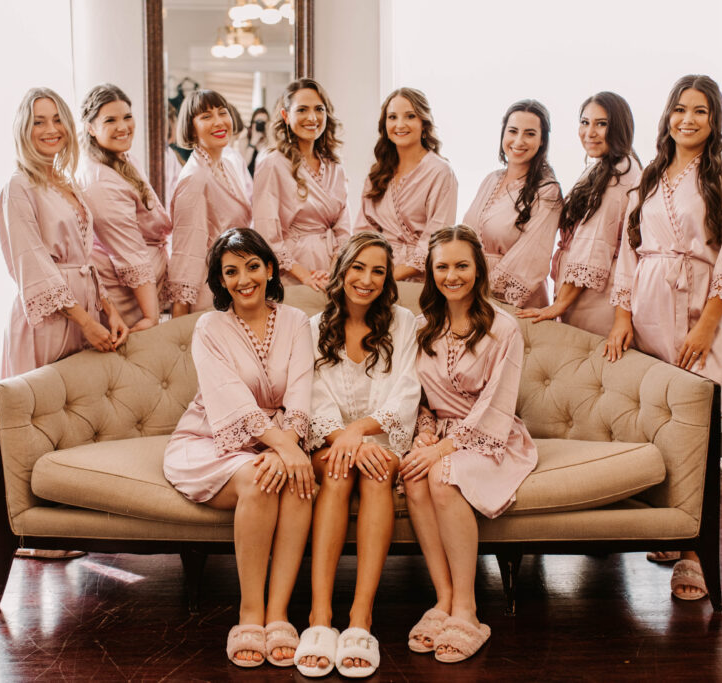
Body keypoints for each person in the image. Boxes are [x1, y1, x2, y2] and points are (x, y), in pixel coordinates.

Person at [605, 75, 722, 600]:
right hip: (648, 305)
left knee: (699, 429)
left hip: (700, 304)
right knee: (658, 423)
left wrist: (709, 322)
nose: (688, 120)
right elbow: (631, 249)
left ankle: (694, 553)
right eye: (679, 109)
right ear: (667, 116)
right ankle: (670, 529)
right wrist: (623, 315)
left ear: (714, 121)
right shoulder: (650, 176)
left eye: (700, 111)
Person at [163, 228, 315, 669]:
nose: (243, 278)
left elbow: (301, 390)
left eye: (252, 266)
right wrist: (284, 448)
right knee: (259, 479)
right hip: (212, 437)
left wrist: (287, 446)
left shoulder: (296, 322)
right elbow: (228, 398)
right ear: (221, 281)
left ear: (270, 269)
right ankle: (250, 613)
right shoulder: (209, 327)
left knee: (295, 481)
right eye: (231, 272)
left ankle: (279, 614)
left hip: (281, 436)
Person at [402, 225, 538, 663]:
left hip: (491, 436)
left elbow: (496, 405)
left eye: (462, 265)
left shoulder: (505, 328)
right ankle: (442, 600)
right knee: (416, 476)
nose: (452, 275)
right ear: (431, 271)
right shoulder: (421, 327)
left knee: (443, 476)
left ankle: (468, 608)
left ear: (479, 269)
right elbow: (415, 396)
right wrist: (424, 433)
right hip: (436, 436)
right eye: (442, 266)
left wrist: (444, 449)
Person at [293, 232, 421, 678]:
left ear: (388, 280)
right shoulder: (312, 329)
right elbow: (311, 393)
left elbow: (407, 389)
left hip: (382, 436)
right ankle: (320, 617)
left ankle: (360, 618)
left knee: (377, 472)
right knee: (337, 473)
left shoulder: (405, 322)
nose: (366, 279)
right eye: (358, 268)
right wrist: (339, 439)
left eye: (378, 271)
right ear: (342, 270)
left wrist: (361, 434)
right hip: (330, 440)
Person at [0, 87, 129, 378]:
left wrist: (109, 311)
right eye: (39, 121)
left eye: (58, 120)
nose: (51, 129)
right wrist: (85, 322)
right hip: (48, 321)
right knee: (44, 412)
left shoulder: (67, 183)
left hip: (85, 313)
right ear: (23, 129)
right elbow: (33, 265)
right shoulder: (18, 186)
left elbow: (86, 259)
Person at [519, 92, 641, 335]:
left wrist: (560, 304)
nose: (590, 132)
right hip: (584, 293)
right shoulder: (603, 167)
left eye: (602, 124)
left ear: (620, 127)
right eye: (585, 122)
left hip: (596, 297)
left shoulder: (618, 174)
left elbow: (593, 246)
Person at [78, 84, 171, 331]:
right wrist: (151, 317)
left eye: (127, 117)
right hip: (126, 298)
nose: (123, 127)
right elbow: (129, 253)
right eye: (110, 120)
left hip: (140, 291)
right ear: (90, 128)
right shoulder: (99, 182)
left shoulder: (123, 159)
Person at [462, 99, 561, 308]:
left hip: (513, 300)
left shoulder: (547, 191)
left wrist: (486, 292)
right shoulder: (491, 179)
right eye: (513, 131)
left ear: (543, 140)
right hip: (473, 292)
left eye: (530, 134)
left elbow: (534, 256)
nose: (519, 140)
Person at [254, 79, 351, 291]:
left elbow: (343, 228)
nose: (312, 117)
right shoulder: (272, 164)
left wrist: (333, 270)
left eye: (319, 109)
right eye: (302, 110)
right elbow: (266, 233)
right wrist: (305, 276)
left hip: (332, 272)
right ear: (286, 116)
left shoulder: (335, 166)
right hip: (290, 273)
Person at [356, 87, 458, 281]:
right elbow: (363, 231)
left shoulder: (440, 172)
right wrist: (371, 272)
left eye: (410, 116)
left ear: (424, 122)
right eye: (392, 117)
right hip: (376, 273)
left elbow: (436, 239)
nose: (400, 124)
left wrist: (391, 277)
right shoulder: (377, 173)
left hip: (419, 279)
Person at [167, 90, 253, 316]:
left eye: (222, 113)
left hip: (236, 282)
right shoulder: (194, 178)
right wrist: (179, 326)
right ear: (190, 127)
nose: (219, 122)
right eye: (206, 116)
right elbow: (186, 253)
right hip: (210, 293)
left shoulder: (230, 164)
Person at [244, 106, 271, 176]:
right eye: (258, 122)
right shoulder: (245, 140)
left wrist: (268, 137)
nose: (260, 125)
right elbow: (244, 165)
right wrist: (253, 142)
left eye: (263, 123)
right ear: (252, 124)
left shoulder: (271, 141)